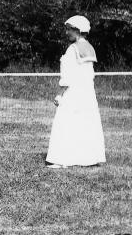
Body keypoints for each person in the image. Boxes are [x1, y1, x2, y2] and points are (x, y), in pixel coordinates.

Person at [46, 15, 106, 168]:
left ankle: (62, 159)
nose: (67, 33)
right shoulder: (90, 48)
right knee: (85, 123)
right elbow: (88, 75)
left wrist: (59, 94)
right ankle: (87, 158)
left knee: (66, 123)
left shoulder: (73, 49)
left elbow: (67, 75)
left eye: (69, 29)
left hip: (74, 93)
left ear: (77, 30)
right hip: (87, 93)